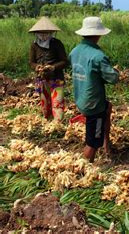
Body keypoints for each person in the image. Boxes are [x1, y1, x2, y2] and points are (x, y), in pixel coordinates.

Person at [69, 17, 119, 162]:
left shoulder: (75, 51)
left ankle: (107, 146)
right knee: (92, 142)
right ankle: (83, 167)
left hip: (81, 97)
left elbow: (90, 73)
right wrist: (115, 71)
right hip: (93, 104)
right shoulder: (98, 56)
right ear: (98, 35)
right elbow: (112, 78)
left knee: (108, 107)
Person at [29, 17, 68, 121]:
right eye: (41, 34)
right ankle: (48, 123)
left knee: (57, 103)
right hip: (41, 79)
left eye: (46, 33)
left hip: (56, 79)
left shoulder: (57, 43)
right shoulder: (34, 45)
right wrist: (36, 67)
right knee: (45, 104)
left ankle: (57, 125)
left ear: (51, 33)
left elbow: (65, 61)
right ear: (36, 34)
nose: (43, 36)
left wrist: (53, 67)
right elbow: (31, 62)